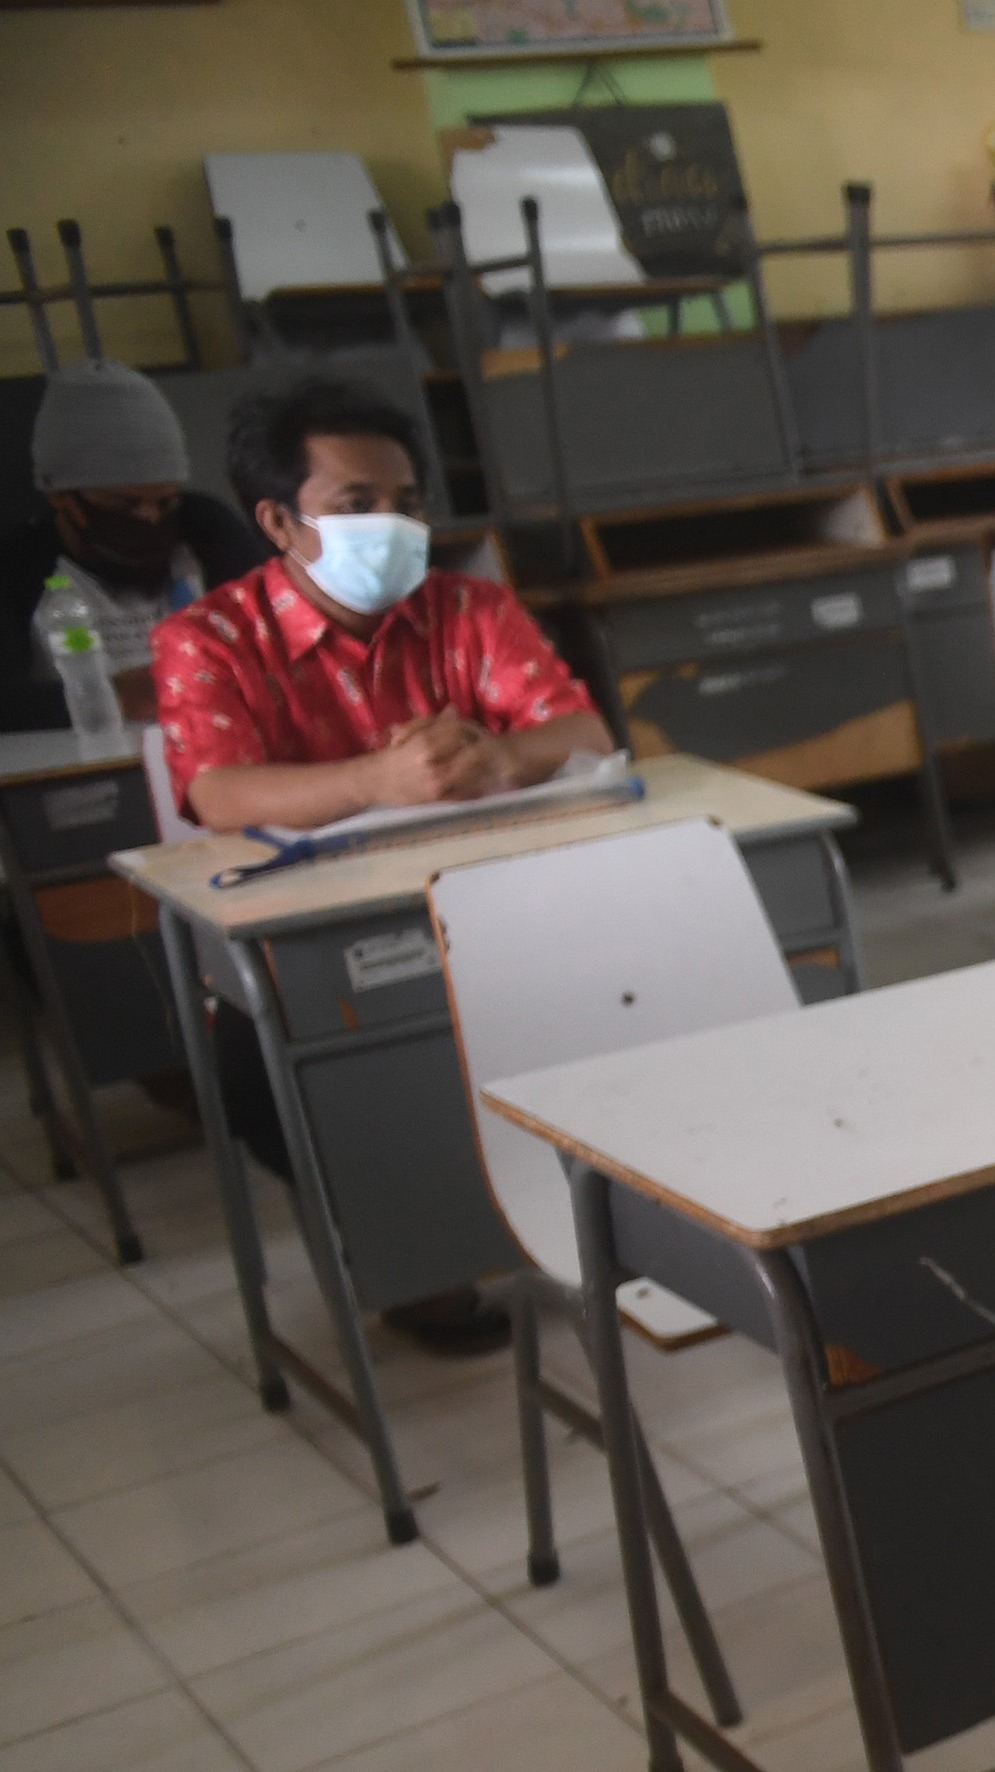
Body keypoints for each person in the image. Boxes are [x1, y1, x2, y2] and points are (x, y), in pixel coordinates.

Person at [154, 374, 620, 1356]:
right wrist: (373, 780)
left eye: (407, 503)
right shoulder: (209, 638)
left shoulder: (467, 611)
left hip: (492, 910)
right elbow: (220, 793)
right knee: (288, 1072)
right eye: (356, 505)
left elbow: (579, 729)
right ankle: (422, 1256)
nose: (394, 526)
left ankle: (596, 1224)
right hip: (308, 942)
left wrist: (504, 757)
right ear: (279, 520)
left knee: (618, 980)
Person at [5, 359, 269, 734]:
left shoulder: (203, 531)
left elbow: (278, 633)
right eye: (122, 505)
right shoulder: (21, 567)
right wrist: (116, 694)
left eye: (165, 502)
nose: (148, 519)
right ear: (61, 498)